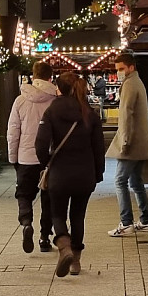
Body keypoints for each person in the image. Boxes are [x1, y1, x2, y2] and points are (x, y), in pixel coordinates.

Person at [36, 72, 106, 277]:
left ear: (59, 89)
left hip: (59, 173)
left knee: (57, 213)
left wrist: (46, 162)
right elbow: (98, 148)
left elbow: (41, 143)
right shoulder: (89, 112)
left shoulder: (52, 111)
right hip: (85, 173)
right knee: (78, 215)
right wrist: (98, 173)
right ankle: (75, 260)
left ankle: (63, 245)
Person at [7, 61, 57, 252]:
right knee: (48, 198)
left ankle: (26, 222)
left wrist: (13, 158)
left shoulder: (20, 100)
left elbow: (13, 132)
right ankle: (45, 237)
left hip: (26, 157)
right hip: (49, 159)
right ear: (50, 77)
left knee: (24, 194)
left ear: (33, 76)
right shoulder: (55, 101)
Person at [106, 51, 148, 236]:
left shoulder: (129, 85)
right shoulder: (138, 82)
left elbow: (126, 114)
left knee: (120, 181)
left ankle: (126, 223)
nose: (118, 72)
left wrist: (124, 141)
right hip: (141, 141)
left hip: (131, 143)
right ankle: (145, 220)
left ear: (131, 67)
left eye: (121, 69)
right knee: (136, 181)